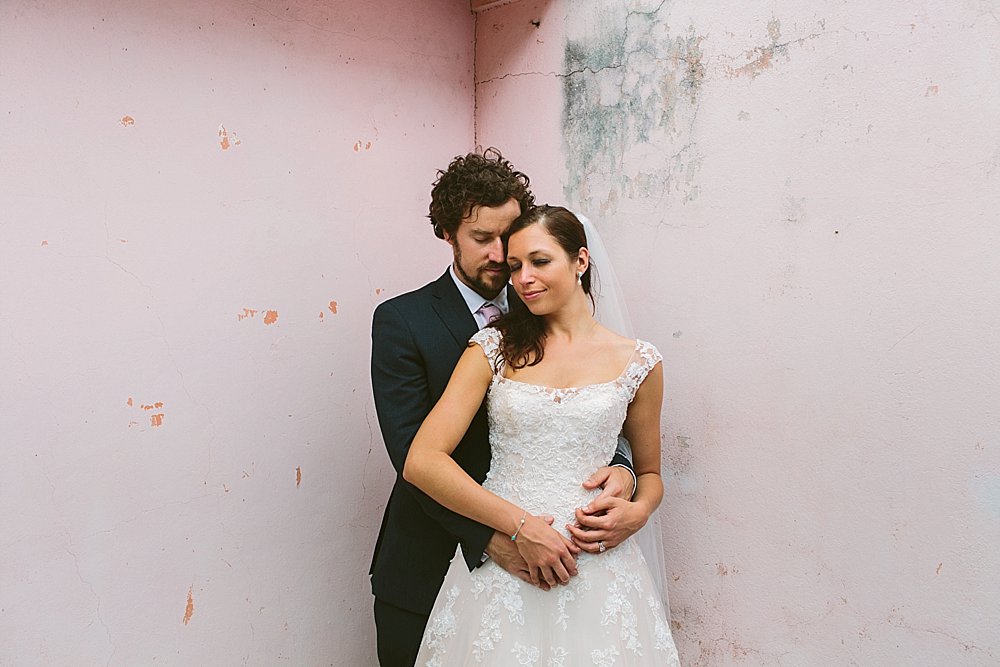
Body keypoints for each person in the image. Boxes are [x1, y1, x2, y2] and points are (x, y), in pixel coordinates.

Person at [369, 151, 640, 666]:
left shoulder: (547, 304)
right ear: (447, 233)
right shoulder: (402, 321)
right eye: (481, 239)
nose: (500, 255)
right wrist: (496, 536)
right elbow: (412, 456)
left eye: (509, 238)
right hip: (429, 562)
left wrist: (623, 470)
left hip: (554, 569)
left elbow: (595, 408)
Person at [404, 205, 681, 665]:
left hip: (599, 566)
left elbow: (650, 470)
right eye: (515, 267)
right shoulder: (493, 347)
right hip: (506, 563)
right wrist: (520, 525)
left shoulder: (640, 362)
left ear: (580, 261)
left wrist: (639, 512)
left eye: (540, 261)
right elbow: (423, 460)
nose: (523, 279)